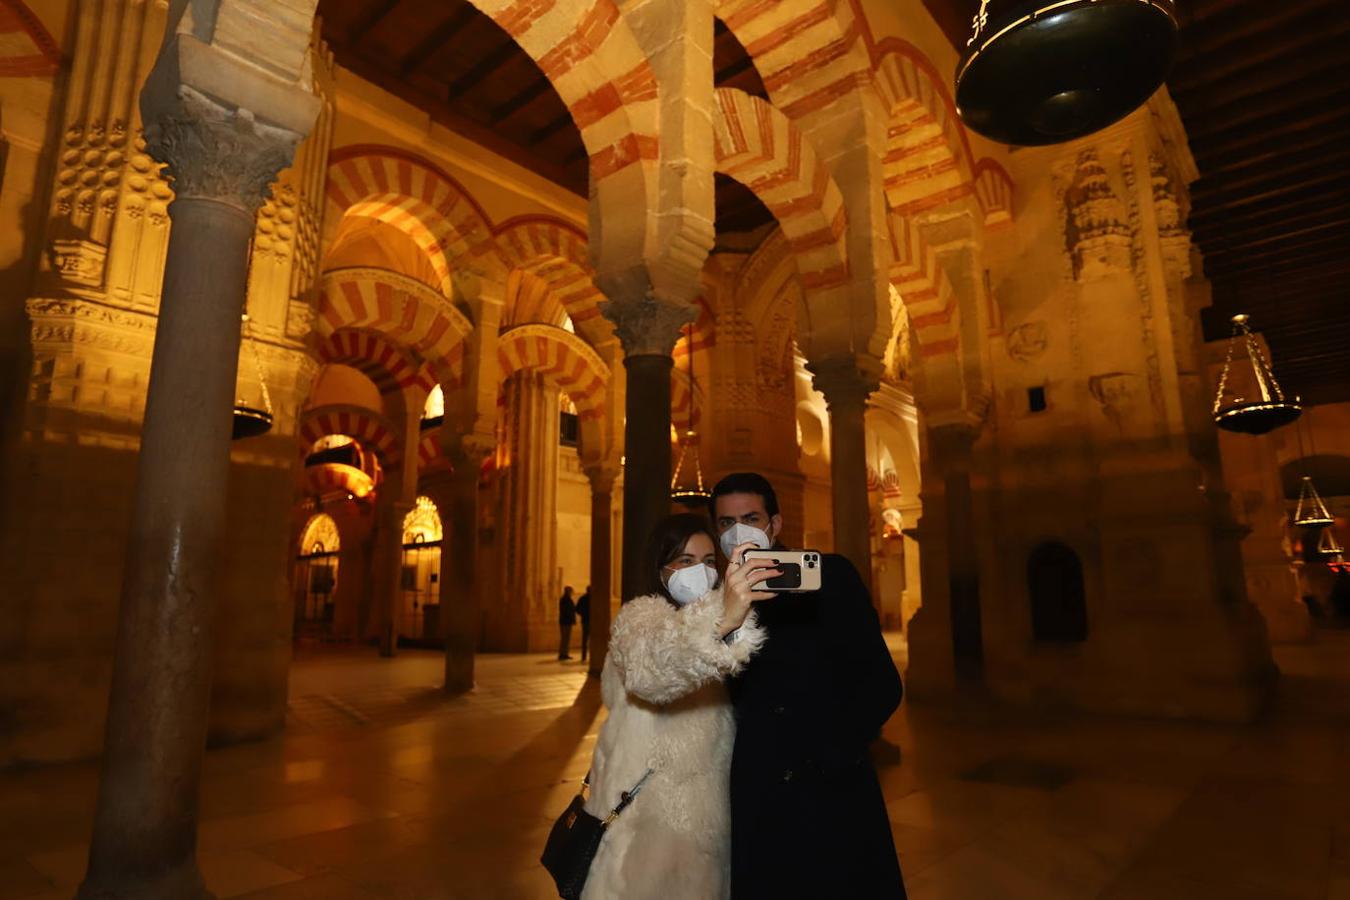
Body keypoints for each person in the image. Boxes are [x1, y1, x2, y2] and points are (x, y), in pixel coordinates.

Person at [711, 472, 907, 899]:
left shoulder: (830, 577)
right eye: (727, 523)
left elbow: (882, 684)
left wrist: (831, 754)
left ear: (775, 525)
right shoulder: (715, 600)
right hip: (757, 796)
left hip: (832, 792)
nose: (738, 531)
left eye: (751, 517)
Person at [580, 513, 773, 899]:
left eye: (707, 562)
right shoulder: (640, 618)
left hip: (706, 838)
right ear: (660, 568)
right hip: (642, 840)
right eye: (685, 561)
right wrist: (722, 621)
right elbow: (653, 667)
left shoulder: (727, 631)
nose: (699, 572)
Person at [558, 586, 576, 660]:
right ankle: (563, 654)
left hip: (565, 621)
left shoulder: (564, 599)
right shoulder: (566, 600)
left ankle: (564, 653)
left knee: (565, 639)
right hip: (566, 622)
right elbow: (568, 611)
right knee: (565, 639)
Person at [576, 585, 592, 662]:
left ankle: (584, 657)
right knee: (591, 639)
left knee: (585, 639)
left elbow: (577, 609)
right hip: (590, 621)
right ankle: (592, 657)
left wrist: (583, 614)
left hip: (585, 621)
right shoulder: (594, 599)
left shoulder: (582, 598)